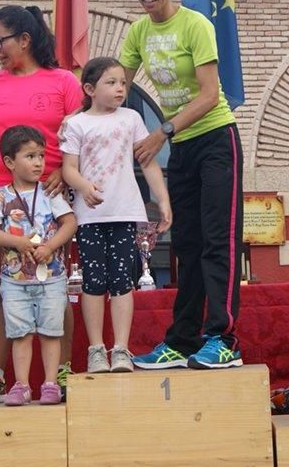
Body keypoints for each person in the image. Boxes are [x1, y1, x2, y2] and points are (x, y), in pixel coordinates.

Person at [119, 0, 244, 369]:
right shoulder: (138, 32)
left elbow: (210, 96)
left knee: (216, 241)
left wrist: (161, 132)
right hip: (184, 147)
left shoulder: (195, 25)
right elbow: (117, 87)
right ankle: (182, 340)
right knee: (186, 245)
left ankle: (223, 338)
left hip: (215, 139)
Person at [0, 5, 83, 405]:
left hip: (49, 202)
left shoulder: (64, 81)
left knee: (54, 287)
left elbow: (77, 140)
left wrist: (64, 175)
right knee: (4, 290)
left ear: (25, 39)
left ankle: (61, 372)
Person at [60, 57, 172, 373]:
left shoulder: (132, 118)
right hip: (90, 216)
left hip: (124, 211)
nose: (120, 88)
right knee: (94, 281)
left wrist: (163, 200)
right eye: (111, 83)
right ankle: (97, 349)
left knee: (123, 280)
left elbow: (148, 161)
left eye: (123, 82)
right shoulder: (77, 123)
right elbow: (68, 168)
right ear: (89, 89)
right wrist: (84, 186)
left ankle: (120, 348)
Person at [0, 126, 77, 405]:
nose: (38, 163)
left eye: (41, 156)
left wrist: (50, 246)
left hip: (51, 278)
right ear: (10, 162)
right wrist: (18, 242)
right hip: (15, 280)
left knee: (50, 331)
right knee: (20, 332)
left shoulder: (50, 193)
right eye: (30, 156)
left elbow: (70, 222)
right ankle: (21, 384)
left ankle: (50, 383)